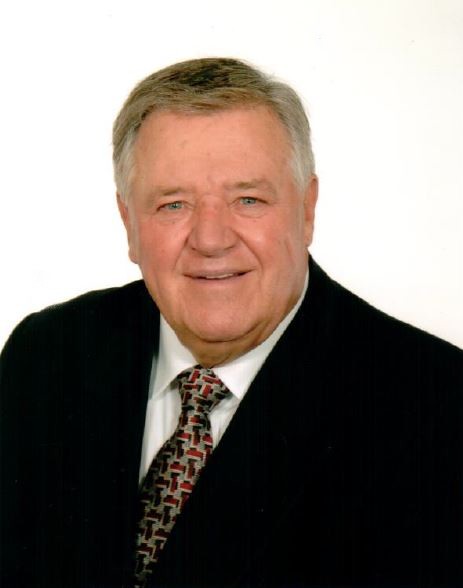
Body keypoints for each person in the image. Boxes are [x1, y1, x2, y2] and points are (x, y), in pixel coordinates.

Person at [1, 57, 462, 588]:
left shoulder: (435, 404)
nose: (211, 239)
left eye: (248, 199)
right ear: (129, 223)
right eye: (173, 205)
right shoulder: (48, 354)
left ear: (307, 210)